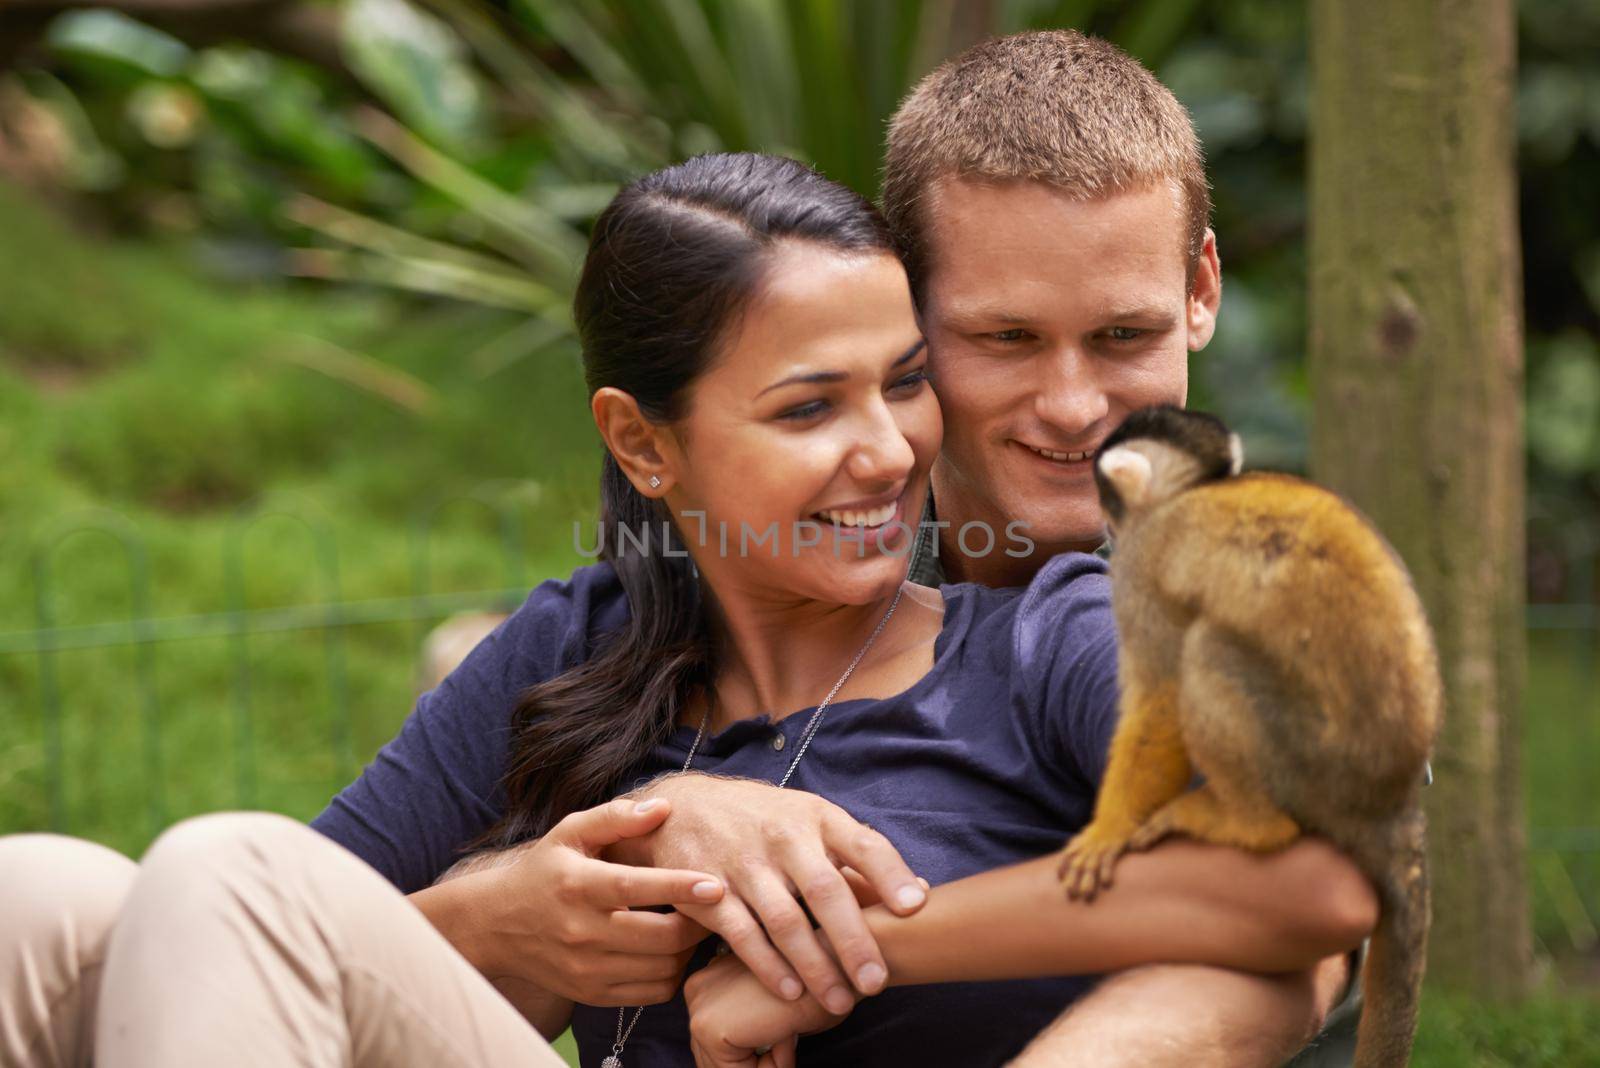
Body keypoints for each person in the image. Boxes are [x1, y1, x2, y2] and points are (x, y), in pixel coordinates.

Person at [0, 151, 1371, 1068]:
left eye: (901, 379)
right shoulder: (580, 648)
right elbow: (269, 958)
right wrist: (506, 920)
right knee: (37, 897)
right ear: (646, 444)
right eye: (807, 406)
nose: (889, 449)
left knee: (222, 867)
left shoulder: (1040, 643)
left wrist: (844, 950)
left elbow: (1306, 879)